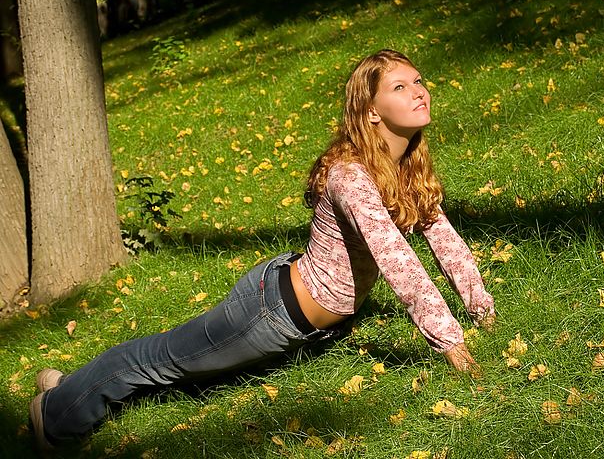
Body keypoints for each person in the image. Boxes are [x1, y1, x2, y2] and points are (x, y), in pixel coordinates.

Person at [29, 49, 496, 452]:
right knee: (159, 362)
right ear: (371, 110)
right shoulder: (351, 176)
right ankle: (56, 416)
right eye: (399, 86)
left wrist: (482, 311)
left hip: (302, 315)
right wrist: (451, 346)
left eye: (418, 81)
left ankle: (68, 387)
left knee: (182, 372)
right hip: (270, 312)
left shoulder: (407, 161)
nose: (418, 91)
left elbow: (443, 238)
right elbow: (397, 261)